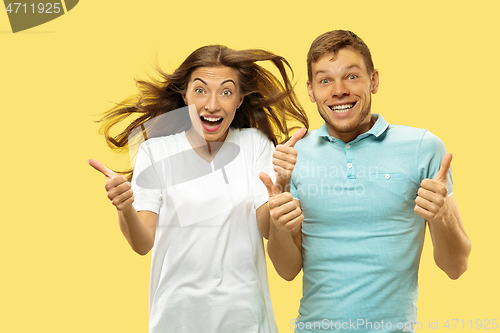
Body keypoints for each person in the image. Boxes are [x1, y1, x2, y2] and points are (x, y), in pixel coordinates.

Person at [88, 44, 308, 333]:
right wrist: (124, 206)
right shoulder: (156, 151)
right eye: (201, 90)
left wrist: (281, 191)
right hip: (176, 321)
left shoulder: (255, 145)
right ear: (185, 95)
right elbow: (142, 243)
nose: (212, 104)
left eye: (226, 92)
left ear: (240, 99)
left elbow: (273, 239)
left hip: (245, 322)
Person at [262, 30, 471, 333]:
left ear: (373, 80)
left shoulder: (422, 147)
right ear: (311, 90)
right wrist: (279, 226)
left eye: (351, 76)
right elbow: (287, 270)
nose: (338, 90)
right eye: (325, 80)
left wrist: (442, 215)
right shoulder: (294, 155)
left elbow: (456, 267)